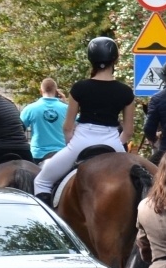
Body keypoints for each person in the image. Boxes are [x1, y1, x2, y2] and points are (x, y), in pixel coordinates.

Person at [34, 38, 135, 204]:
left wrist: (71, 145)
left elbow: (67, 127)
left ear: (91, 60)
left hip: (81, 142)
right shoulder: (125, 92)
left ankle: (51, 227)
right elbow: (129, 131)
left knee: (41, 181)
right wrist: (117, 142)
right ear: (115, 60)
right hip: (113, 144)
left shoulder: (79, 88)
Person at [20, 79, 69, 161]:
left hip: (38, 155)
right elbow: (77, 126)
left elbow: (19, 129)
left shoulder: (30, 108)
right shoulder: (66, 109)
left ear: (40, 91)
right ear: (56, 91)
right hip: (62, 154)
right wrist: (65, 103)